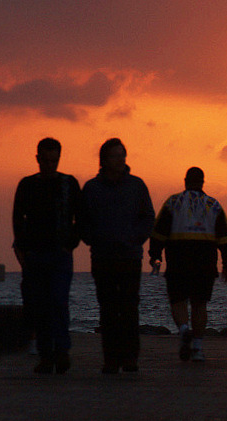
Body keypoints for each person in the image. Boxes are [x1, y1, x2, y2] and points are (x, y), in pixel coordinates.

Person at [80, 138, 155, 374]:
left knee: (130, 307)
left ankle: (130, 358)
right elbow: (82, 221)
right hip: (103, 256)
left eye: (123, 155)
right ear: (104, 159)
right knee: (108, 309)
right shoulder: (92, 188)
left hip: (130, 256)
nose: (120, 160)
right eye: (115, 156)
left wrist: (135, 238)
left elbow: (148, 217)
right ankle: (111, 359)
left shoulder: (137, 185)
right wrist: (95, 238)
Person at [149, 167, 227, 362]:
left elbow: (158, 233)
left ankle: (183, 329)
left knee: (178, 301)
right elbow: (224, 238)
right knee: (199, 304)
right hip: (205, 263)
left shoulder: (172, 203)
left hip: (178, 261)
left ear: (185, 180)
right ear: (203, 182)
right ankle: (197, 348)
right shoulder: (214, 205)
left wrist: (155, 256)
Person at [12, 138, 82, 374]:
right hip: (36, 255)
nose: (50, 165)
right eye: (46, 160)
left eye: (54, 160)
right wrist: (24, 248)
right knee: (39, 304)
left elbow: (80, 217)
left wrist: (70, 244)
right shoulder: (28, 185)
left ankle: (61, 352)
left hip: (59, 253)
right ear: (38, 159)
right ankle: (46, 354)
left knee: (58, 301)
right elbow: (17, 218)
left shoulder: (68, 184)